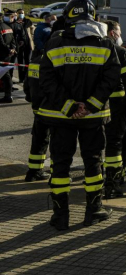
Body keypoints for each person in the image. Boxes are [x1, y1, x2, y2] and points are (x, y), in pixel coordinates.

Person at [37, 0, 121, 230]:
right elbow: (112, 78)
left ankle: (60, 216)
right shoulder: (105, 43)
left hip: (61, 117)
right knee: (93, 163)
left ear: (68, 16)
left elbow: (46, 79)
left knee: (60, 164)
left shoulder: (55, 42)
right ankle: (94, 210)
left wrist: (69, 107)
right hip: (93, 118)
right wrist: (90, 106)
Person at [23, 15, 64, 182]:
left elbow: (27, 86)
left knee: (39, 140)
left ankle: (34, 171)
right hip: (54, 110)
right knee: (57, 142)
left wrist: (33, 100)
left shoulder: (36, 60)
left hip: (38, 109)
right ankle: (56, 172)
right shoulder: (57, 62)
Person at [102, 20, 126, 198]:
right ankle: (112, 183)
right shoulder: (122, 53)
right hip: (117, 105)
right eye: (119, 32)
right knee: (115, 144)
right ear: (113, 33)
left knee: (96, 144)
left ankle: (95, 178)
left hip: (96, 105)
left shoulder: (94, 51)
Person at [1, 10, 16, 103]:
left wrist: (8, 49)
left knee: (5, 76)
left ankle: (8, 96)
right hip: (7, 55)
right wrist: (12, 49)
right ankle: (8, 95)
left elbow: (0, 42)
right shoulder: (7, 27)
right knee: (7, 76)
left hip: (1, 54)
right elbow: (13, 40)